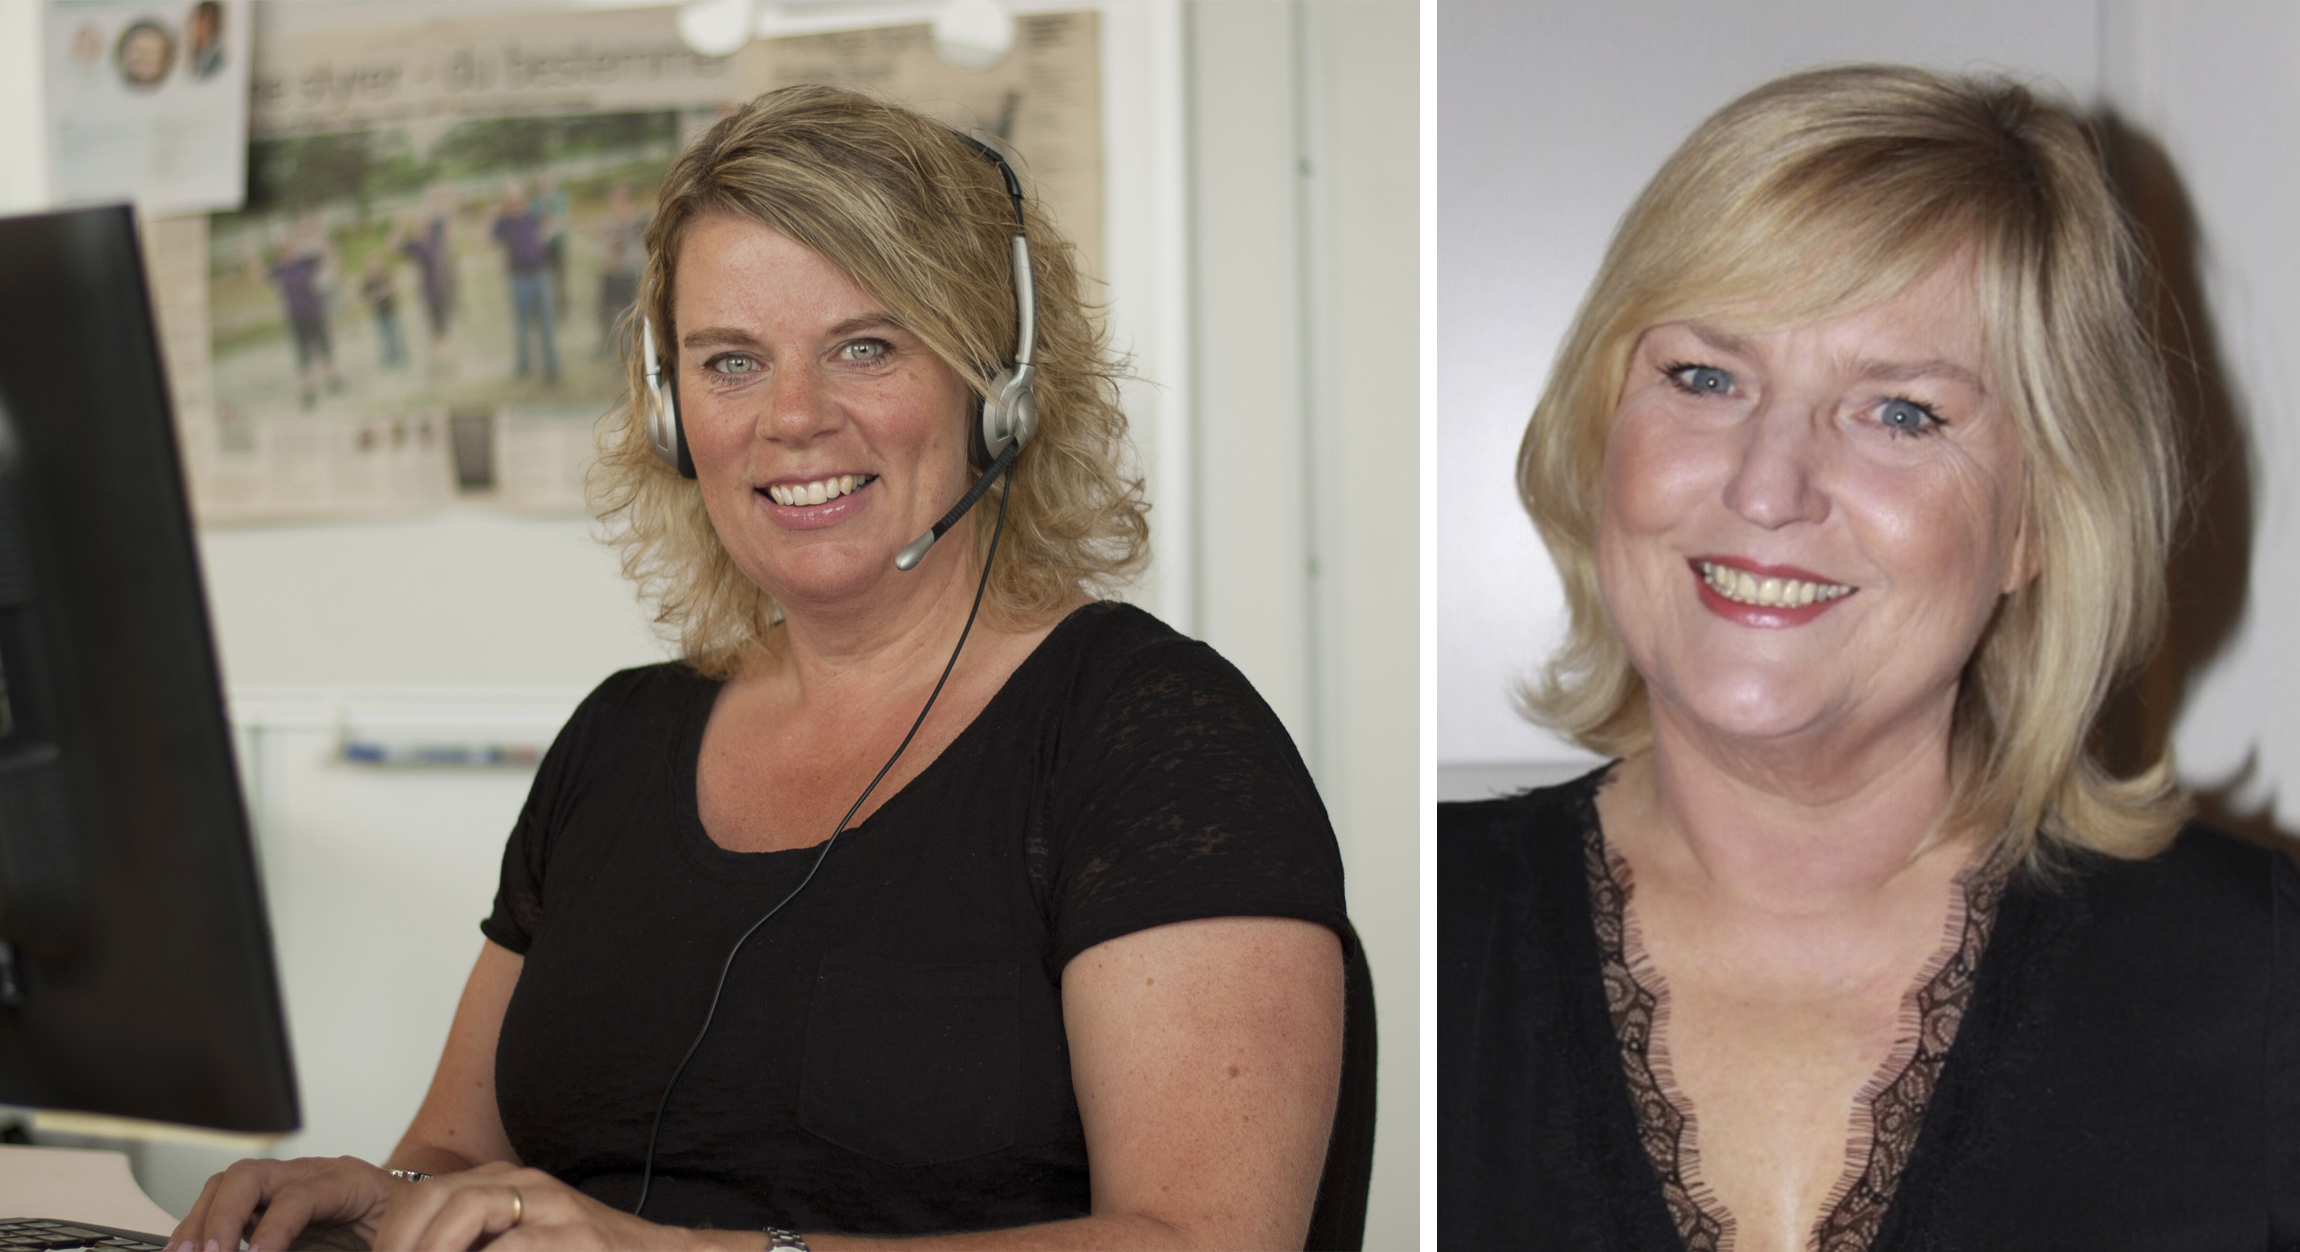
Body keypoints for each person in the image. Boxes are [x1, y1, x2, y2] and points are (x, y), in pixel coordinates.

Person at [172, 85, 1373, 1252]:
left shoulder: (1151, 738)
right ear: (668, 413)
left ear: (996, 390)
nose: (792, 416)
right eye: (731, 361)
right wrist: (375, 1199)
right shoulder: (618, 739)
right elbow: (451, 1149)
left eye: (865, 346)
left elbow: (1209, 1236)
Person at [1439, 65, 2299, 1250]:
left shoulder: (2261, 978)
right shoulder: (1412, 922)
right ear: (1601, 436)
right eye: (1704, 377)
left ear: (2038, 521)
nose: (1765, 486)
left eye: (1898, 411)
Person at [492, 180, 559, 385]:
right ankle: (523, 366)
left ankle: (551, 368)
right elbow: (487, 238)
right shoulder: (504, 223)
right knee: (522, 325)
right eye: (512, 201)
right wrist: (494, 213)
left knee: (546, 323)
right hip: (518, 278)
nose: (517, 204)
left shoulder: (534, 217)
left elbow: (551, 228)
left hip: (539, 274)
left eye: (520, 200)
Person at [395, 184, 459, 375]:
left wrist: (444, 205)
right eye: (417, 225)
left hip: (441, 287)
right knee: (435, 330)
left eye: (422, 224)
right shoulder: (415, 244)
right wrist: (399, 225)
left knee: (441, 329)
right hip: (427, 292)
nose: (420, 227)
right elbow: (393, 245)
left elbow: (449, 228)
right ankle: (442, 362)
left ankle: (443, 362)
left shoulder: (436, 238)